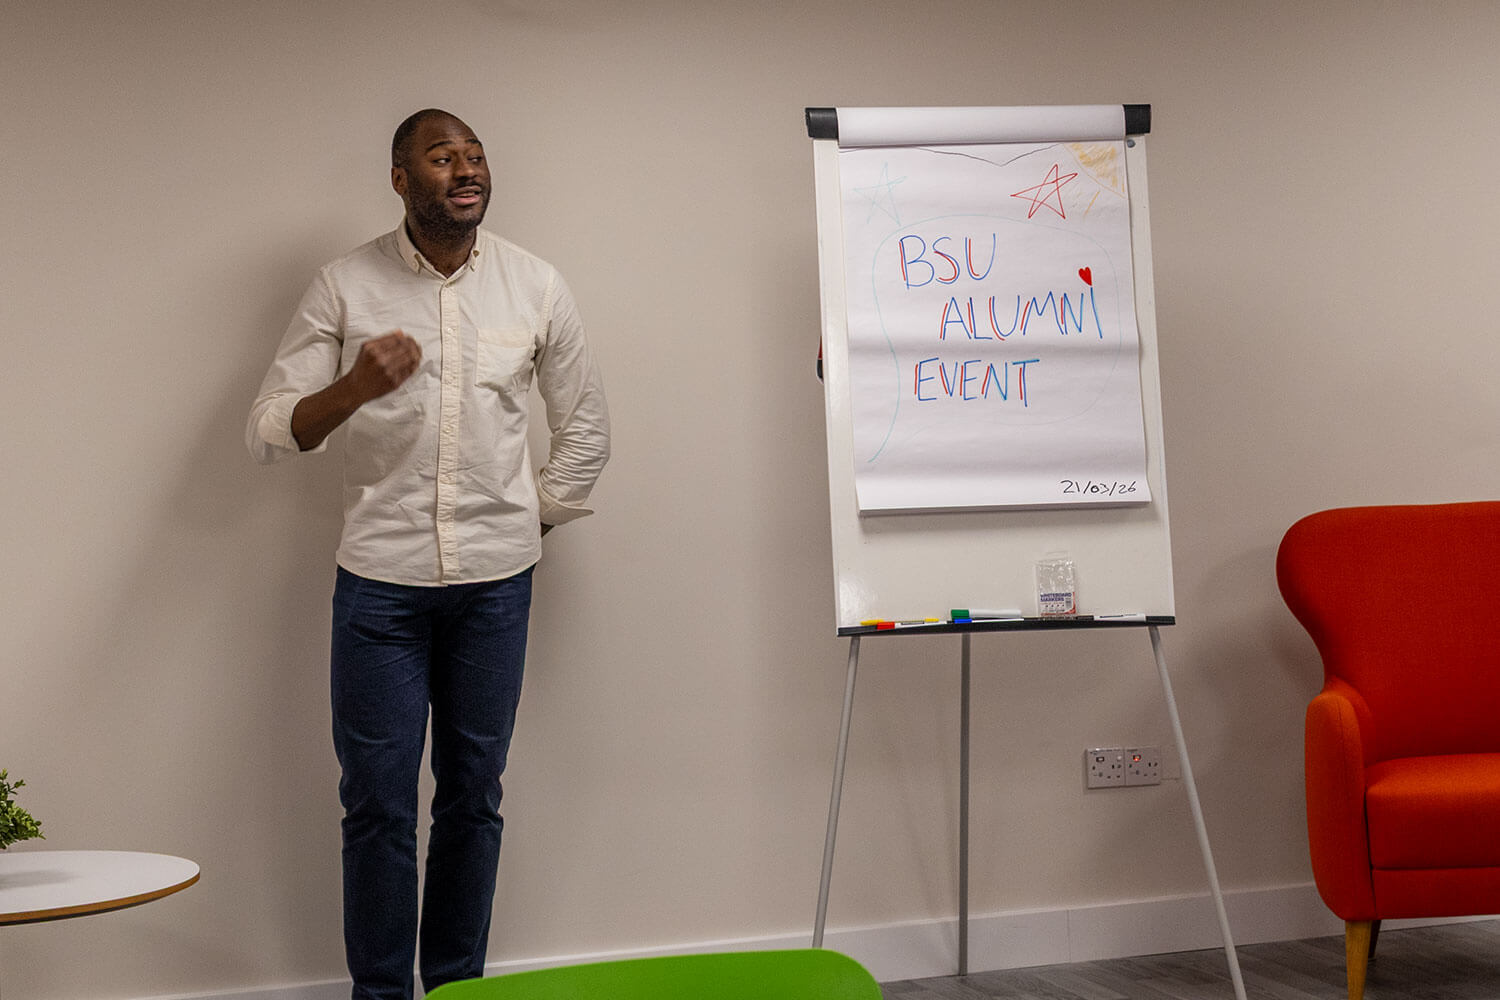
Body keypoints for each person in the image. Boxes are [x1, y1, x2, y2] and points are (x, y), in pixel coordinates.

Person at [246, 109, 610, 1000]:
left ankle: (455, 990)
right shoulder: (344, 287)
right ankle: (382, 995)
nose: (465, 169)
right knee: (376, 807)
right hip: (380, 590)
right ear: (401, 179)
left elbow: (585, 430)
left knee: (473, 800)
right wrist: (354, 387)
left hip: (496, 591)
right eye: (441, 157)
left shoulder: (534, 284)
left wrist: (530, 521)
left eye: (476, 156)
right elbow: (267, 433)